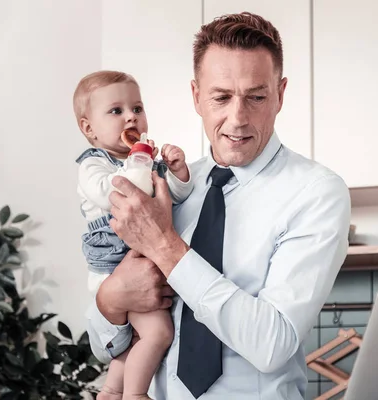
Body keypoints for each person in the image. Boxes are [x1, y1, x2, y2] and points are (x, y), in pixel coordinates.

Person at [86, 12, 351, 400]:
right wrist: (109, 300)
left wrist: (165, 246)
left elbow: (273, 344)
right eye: (221, 97)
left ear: (280, 94)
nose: (237, 119)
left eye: (256, 97)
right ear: (197, 97)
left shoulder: (316, 193)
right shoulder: (170, 186)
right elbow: (101, 344)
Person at [73, 70, 193, 400]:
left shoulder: (147, 161)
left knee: (140, 337)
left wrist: (178, 173)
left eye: (137, 108)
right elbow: (116, 193)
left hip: (141, 259)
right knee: (158, 333)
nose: (131, 117)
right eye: (116, 111)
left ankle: (112, 390)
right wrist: (139, 160)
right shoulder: (93, 165)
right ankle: (136, 394)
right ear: (89, 128)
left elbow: (176, 197)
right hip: (117, 267)